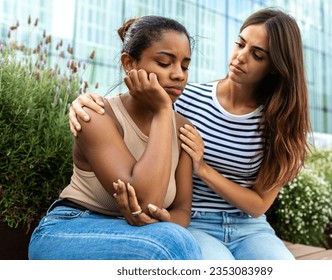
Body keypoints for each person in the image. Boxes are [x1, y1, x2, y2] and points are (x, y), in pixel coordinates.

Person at [68, 8, 310, 260]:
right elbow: (137, 108)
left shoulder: (283, 124)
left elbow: (258, 204)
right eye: (240, 44)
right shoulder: (184, 98)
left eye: (257, 55)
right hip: (194, 223)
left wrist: (203, 168)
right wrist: (82, 102)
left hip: (251, 228)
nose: (240, 57)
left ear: (275, 66)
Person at [28, 15, 202, 260]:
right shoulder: (96, 115)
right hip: (72, 227)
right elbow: (145, 200)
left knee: (176, 239)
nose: (179, 75)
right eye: (165, 63)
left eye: (185, 66)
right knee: (171, 243)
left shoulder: (183, 128)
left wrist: (162, 219)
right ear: (129, 63)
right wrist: (163, 111)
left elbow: (182, 210)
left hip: (143, 234)